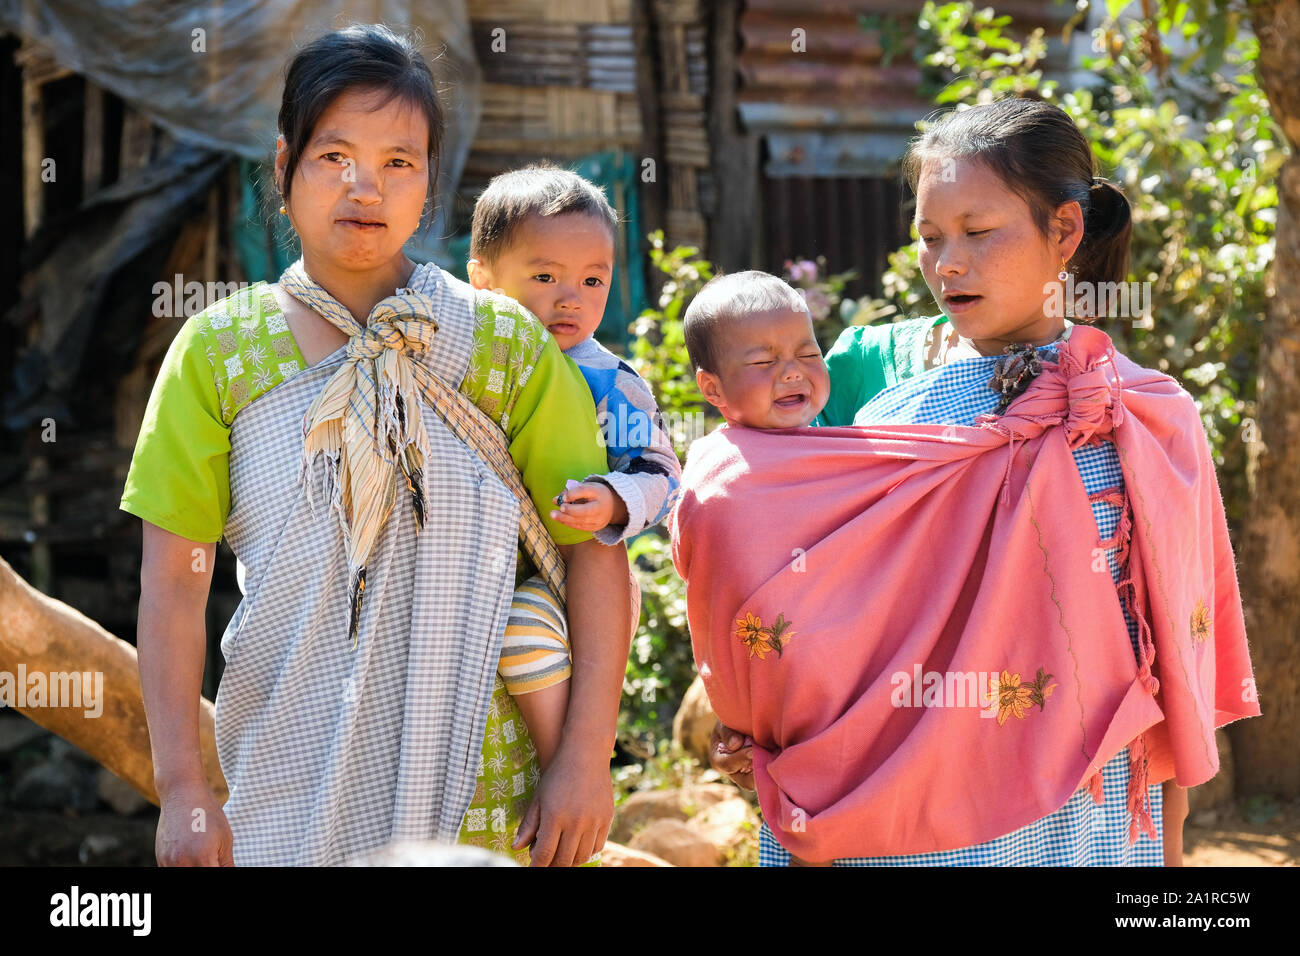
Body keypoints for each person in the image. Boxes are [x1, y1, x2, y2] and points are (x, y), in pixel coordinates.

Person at [678, 97, 1259, 866]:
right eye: (928, 238)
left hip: (1087, 821)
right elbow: (779, 551)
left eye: (979, 233)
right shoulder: (877, 394)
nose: (946, 262)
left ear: (1065, 232)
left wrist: (1169, 846)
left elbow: (1173, 662)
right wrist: (759, 715)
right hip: (902, 820)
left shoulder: (1147, 421)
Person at [120, 24, 630, 867]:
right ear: (285, 167)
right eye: (335, 156)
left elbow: (592, 553)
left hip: (487, 791)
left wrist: (583, 759)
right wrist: (183, 788)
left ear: (429, 181)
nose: (367, 187)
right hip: (285, 769)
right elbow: (174, 582)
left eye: (400, 160)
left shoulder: (503, 345)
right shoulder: (219, 354)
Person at [465, 164, 682, 770]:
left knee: (523, 628)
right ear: (481, 279)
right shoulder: (459, 360)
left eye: (593, 280)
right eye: (544, 276)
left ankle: (565, 763)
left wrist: (614, 498)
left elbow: (664, 474)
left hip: (572, 586)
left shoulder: (609, 382)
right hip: (480, 568)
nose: (572, 298)